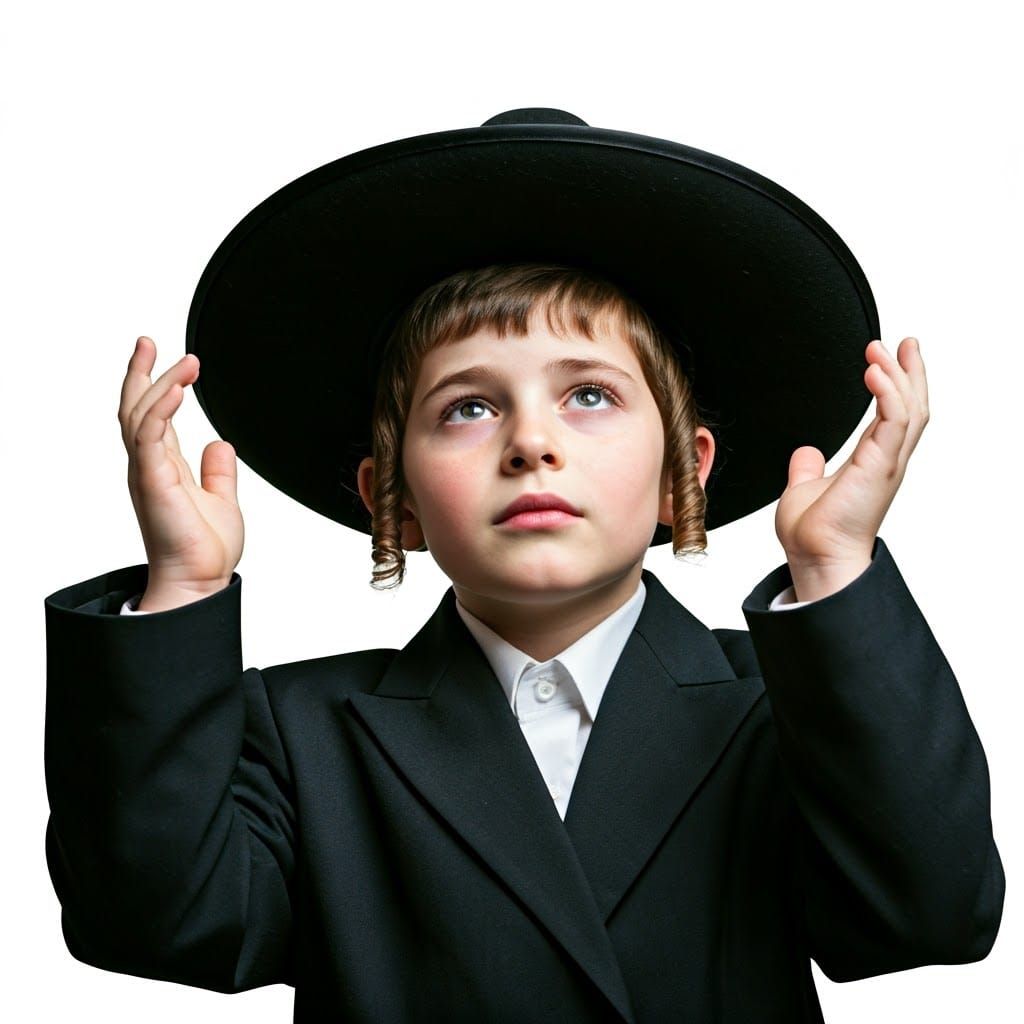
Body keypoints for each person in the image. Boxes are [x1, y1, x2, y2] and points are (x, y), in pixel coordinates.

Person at [43, 111, 1004, 1023]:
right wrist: (183, 587)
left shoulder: (786, 708)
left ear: (682, 474)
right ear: (394, 500)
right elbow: (152, 924)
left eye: (589, 395)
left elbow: (928, 915)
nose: (531, 443)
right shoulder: (300, 734)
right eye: (468, 407)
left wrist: (835, 568)